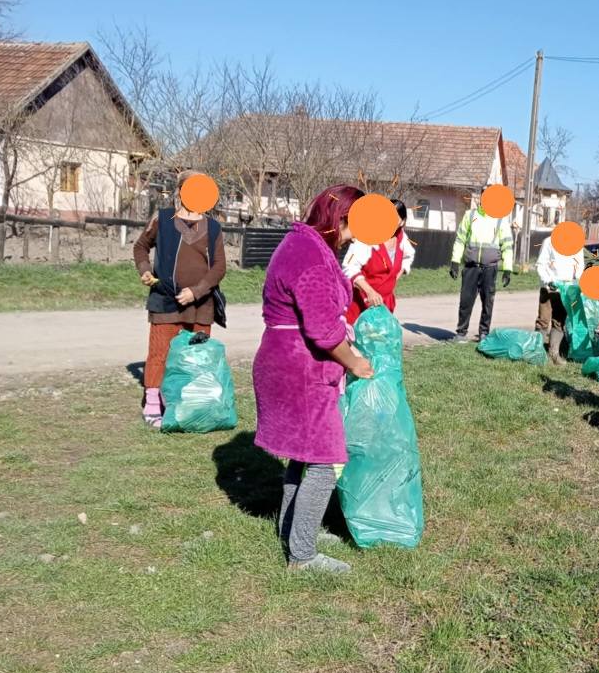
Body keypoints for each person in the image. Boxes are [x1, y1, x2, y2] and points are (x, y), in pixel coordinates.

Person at [252, 185, 375, 575]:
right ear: (339, 219)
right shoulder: (312, 257)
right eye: (356, 225)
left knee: (301, 455)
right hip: (300, 369)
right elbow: (323, 331)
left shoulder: (301, 244)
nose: (357, 234)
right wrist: (354, 362)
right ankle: (302, 555)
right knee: (325, 460)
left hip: (285, 361)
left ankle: (294, 528)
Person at [134, 169, 227, 429]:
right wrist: (144, 270)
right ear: (180, 191)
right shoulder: (162, 220)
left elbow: (219, 267)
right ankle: (153, 404)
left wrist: (196, 291)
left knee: (196, 357)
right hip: (165, 300)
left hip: (201, 304)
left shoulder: (213, 227)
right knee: (159, 354)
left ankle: (190, 404)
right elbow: (140, 247)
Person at [342, 198, 416, 324]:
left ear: (402, 222)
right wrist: (369, 291)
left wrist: (396, 276)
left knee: (379, 342)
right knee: (350, 340)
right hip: (360, 302)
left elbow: (409, 255)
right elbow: (349, 267)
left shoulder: (402, 238)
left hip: (384, 305)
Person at [449, 195, 514, 342]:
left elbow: (508, 246)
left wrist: (507, 269)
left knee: (487, 302)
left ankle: (484, 333)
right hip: (471, 266)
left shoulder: (501, 219)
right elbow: (460, 239)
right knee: (465, 301)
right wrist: (455, 261)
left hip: (490, 268)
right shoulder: (470, 215)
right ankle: (461, 333)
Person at [535, 232, 585, 363]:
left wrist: (576, 283)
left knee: (559, 322)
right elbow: (541, 264)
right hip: (548, 288)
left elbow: (579, 265)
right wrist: (547, 280)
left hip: (566, 289)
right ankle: (536, 353)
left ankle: (554, 353)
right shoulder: (549, 242)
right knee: (543, 320)